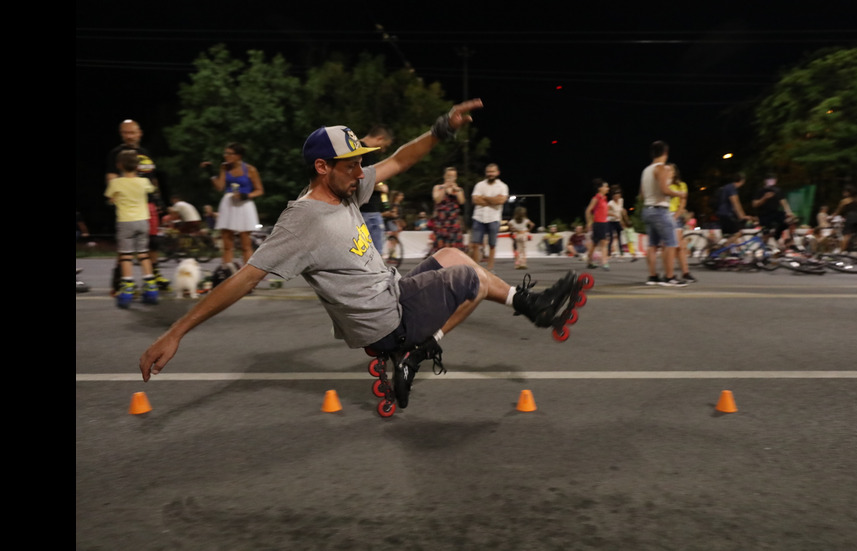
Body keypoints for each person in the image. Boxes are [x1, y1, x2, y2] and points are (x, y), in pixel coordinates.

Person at [139, 100, 587, 412]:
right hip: (385, 321)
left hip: (391, 293)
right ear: (322, 167)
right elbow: (244, 279)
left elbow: (398, 161)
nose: (361, 172)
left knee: (452, 253)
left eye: (359, 163)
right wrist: (176, 332)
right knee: (468, 278)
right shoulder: (303, 221)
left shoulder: (347, 187)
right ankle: (421, 350)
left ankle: (530, 308)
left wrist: (440, 128)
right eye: (351, 164)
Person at [106, 119, 168, 287]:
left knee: (152, 242)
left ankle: (154, 275)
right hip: (129, 205)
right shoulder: (117, 153)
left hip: (149, 204)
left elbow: (152, 178)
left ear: (139, 133)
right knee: (126, 245)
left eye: (132, 132)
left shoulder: (145, 152)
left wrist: (159, 200)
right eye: (125, 132)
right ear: (121, 134)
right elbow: (111, 176)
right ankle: (119, 278)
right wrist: (116, 198)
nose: (129, 136)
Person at [104, 149, 159, 308]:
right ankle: (151, 287)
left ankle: (127, 288)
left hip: (125, 222)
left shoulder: (116, 183)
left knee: (126, 256)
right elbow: (151, 190)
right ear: (137, 166)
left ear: (119, 165)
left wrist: (115, 200)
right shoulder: (143, 182)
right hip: (143, 221)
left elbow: (110, 199)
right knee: (143, 254)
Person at [206, 142, 265, 265]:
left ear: (238, 156)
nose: (225, 156)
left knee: (245, 245)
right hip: (229, 204)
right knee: (227, 244)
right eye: (225, 153)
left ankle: (247, 277)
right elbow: (219, 187)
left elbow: (259, 190)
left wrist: (246, 195)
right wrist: (210, 172)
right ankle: (227, 273)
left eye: (229, 153)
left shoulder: (250, 169)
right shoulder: (225, 167)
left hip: (244, 204)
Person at [639, 141, 688, 287]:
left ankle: (652, 276)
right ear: (665, 153)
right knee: (671, 243)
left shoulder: (646, 170)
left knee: (652, 245)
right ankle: (669, 277)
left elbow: (641, 195)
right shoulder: (661, 168)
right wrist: (679, 194)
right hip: (660, 210)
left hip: (647, 209)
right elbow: (664, 189)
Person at [357, 126, 395, 251]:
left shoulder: (355, 148)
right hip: (369, 211)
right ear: (380, 138)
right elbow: (360, 180)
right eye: (385, 145)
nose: (383, 150)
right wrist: (380, 187)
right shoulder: (367, 153)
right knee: (376, 255)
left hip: (358, 210)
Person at [469, 163, 508, 270]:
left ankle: (490, 269)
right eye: (488, 172)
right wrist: (493, 200)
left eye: (493, 172)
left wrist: (484, 198)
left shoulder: (502, 186)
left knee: (492, 245)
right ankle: (475, 269)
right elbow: (475, 200)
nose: (490, 174)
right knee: (475, 244)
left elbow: (501, 201)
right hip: (479, 217)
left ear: (497, 173)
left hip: (494, 218)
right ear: (486, 173)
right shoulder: (479, 185)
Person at [667, 164, 696, 282]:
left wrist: (676, 216)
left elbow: (682, 203)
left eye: (671, 170)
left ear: (675, 172)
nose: (668, 172)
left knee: (680, 246)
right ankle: (673, 275)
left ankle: (684, 273)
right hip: (663, 215)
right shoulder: (664, 184)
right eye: (667, 170)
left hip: (675, 215)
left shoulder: (681, 185)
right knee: (673, 246)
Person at [751, 173, 794, 247]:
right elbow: (754, 204)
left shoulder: (778, 190)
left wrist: (788, 212)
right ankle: (763, 247)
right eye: (769, 180)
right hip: (764, 214)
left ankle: (784, 240)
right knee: (766, 231)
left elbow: (783, 202)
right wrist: (764, 198)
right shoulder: (761, 191)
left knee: (789, 221)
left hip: (775, 213)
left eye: (773, 180)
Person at [431, 166, 467, 252]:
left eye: (453, 176)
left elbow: (462, 201)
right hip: (441, 223)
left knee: (455, 249)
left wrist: (456, 190)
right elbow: (437, 200)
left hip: (453, 223)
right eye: (449, 176)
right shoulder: (438, 187)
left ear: (456, 177)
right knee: (440, 249)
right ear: (444, 176)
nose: (451, 178)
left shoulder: (459, 189)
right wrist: (444, 188)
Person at [831, 184, 857, 253]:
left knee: (847, 235)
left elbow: (838, 211)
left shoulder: (845, 200)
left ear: (848, 193)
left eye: (844, 192)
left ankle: (841, 251)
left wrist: (832, 217)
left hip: (851, 216)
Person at [584, 178, 611, 270]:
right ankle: (604, 263)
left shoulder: (604, 199)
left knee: (595, 244)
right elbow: (588, 210)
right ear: (600, 188)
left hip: (604, 223)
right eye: (606, 186)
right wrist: (589, 222)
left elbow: (604, 212)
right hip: (598, 224)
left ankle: (589, 261)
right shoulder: (596, 198)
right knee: (604, 243)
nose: (608, 188)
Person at [606, 185, 626, 258]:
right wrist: (614, 215)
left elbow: (621, 211)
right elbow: (606, 212)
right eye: (615, 196)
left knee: (619, 236)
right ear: (613, 196)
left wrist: (622, 221)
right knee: (611, 237)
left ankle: (621, 252)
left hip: (617, 221)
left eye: (618, 195)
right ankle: (608, 253)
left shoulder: (621, 200)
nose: (617, 197)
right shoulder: (610, 203)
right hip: (610, 221)